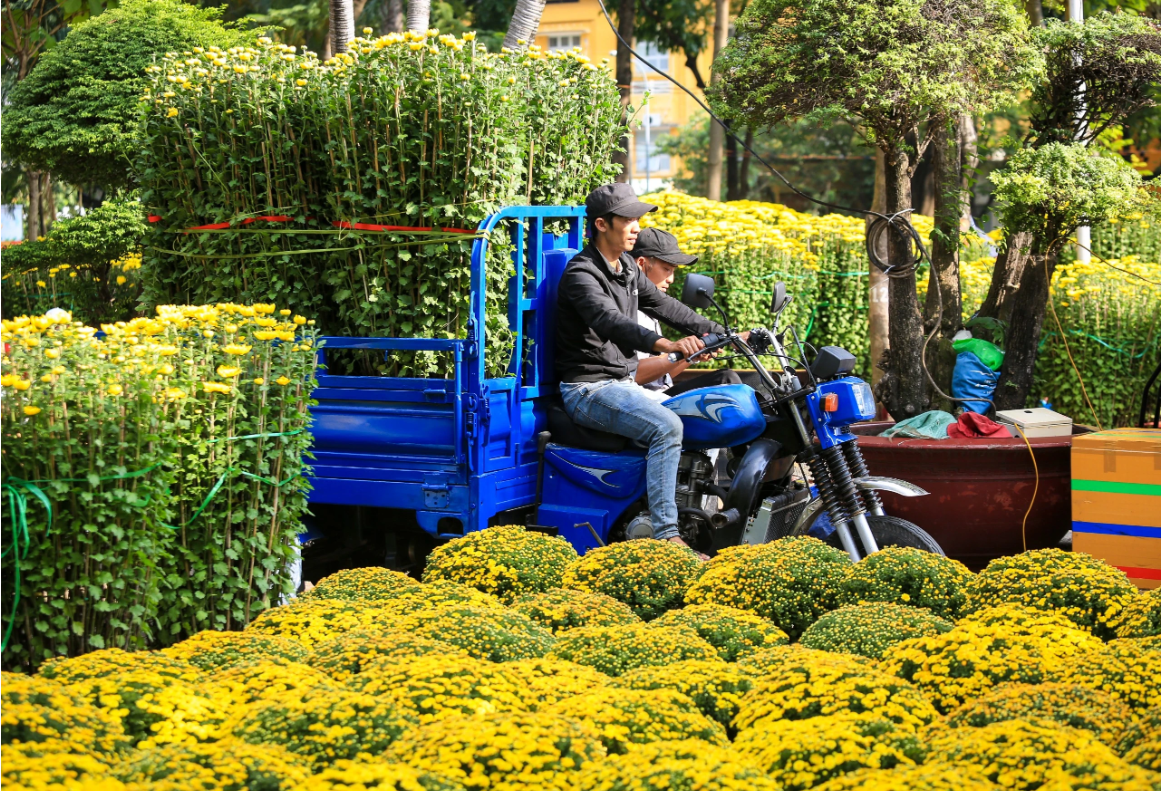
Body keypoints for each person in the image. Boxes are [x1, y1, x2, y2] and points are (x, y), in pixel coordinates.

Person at [555, 183, 725, 553]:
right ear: (602, 224)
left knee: (708, 416)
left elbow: (666, 307)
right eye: (629, 219)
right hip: (589, 389)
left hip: (621, 383)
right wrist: (665, 345)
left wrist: (722, 333)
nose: (636, 227)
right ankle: (666, 536)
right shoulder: (582, 273)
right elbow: (609, 321)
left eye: (638, 219)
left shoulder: (628, 267)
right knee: (667, 426)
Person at [630, 226, 744, 399]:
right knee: (725, 379)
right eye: (667, 269)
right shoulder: (626, 309)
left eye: (673, 271)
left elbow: (659, 378)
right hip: (639, 402)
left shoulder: (651, 310)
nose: (671, 279)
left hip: (660, 395)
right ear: (641, 263)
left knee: (752, 382)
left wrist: (693, 355)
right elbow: (632, 375)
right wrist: (678, 352)